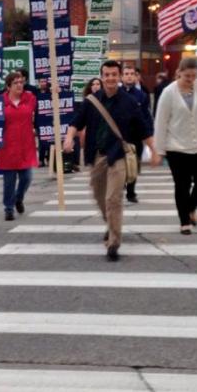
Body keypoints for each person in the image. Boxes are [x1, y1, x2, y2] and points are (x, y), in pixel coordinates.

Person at [63, 60, 155, 261]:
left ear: (119, 76)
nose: (111, 78)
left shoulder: (130, 103)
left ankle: (114, 242)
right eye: (107, 74)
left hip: (118, 155)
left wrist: (154, 150)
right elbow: (76, 122)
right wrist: (69, 138)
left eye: (114, 74)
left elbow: (143, 128)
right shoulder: (92, 101)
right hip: (97, 155)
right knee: (99, 196)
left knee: (113, 198)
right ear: (102, 76)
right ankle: (111, 224)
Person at [152, 57, 197, 235]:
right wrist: (158, 151)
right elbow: (161, 122)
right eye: (187, 76)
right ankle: (184, 220)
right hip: (177, 147)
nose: (191, 79)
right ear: (179, 73)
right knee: (182, 185)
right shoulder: (169, 92)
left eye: (194, 75)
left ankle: (190, 208)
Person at [0, 71, 38, 221]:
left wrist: (56, 91)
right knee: (9, 181)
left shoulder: (30, 98)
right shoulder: (0, 101)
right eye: (16, 83)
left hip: (25, 145)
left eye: (21, 82)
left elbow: (47, 100)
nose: (20, 85)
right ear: (8, 86)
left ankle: (18, 198)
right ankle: (8, 208)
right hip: (7, 146)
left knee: (27, 177)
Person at [122, 65, 154, 203]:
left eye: (132, 74)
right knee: (119, 165)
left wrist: (149, 135)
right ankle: (119, 186)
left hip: (136, 136)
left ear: (136, 77)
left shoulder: (142, 95)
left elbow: (146, 116)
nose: (129, 76)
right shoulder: (116, 93)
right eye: (126, 73)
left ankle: (131, 192)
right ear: (122, 76)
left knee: (134, 165)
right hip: (120, 136)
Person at [36, 78, 50, 167]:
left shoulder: (50, 92)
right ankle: (41, 159)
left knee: (49, 140)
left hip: (49, 119)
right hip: (39, 120)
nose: (43, 83)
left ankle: (49, 158)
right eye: (41, 81)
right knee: (41, 141)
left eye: (44, 81)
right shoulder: (36, 93)